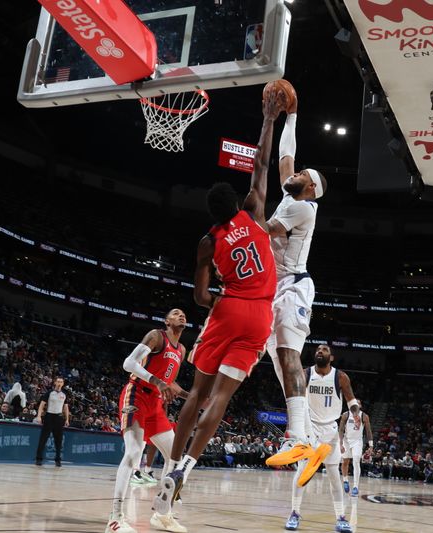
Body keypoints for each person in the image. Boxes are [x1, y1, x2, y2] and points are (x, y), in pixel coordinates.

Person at [152, 89, 283, 522]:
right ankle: (189, 467)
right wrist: (268, 118)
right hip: (260, 315)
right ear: (236, 203)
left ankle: (171, 466)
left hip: (227, 312)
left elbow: (200, 297)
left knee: (197, 394)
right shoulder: (254, 212)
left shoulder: (207, 242)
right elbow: (261, 165)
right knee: (221, 399)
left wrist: (221, 292)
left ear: (212, 212)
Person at [262, 87, 332, 486]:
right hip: (278, 288)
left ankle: (300, 437)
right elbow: (285, 156)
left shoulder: (302, 208)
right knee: (279, 361)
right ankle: (304, 440)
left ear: (311, 189)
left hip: (294, 287)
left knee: (289, 355)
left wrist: (232, 227)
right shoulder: (295, 194)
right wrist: (292, 115)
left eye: (303, 175)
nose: (296, 171)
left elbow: (265, 229)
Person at [105, 309, 189, 533]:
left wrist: (195, 398)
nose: (181, 316)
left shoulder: (181, 349)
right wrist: (158, 381)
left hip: (156, 404)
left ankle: (163, 514)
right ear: (167, 320)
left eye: (183, 314)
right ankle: (115, 518)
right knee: (133, 453)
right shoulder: (156, 336)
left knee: (176, 456)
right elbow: (128, 363)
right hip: (137, 394)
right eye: (175, 313)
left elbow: (171, 383)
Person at [283, 344, 358, 532]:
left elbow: (351, 401)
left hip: (331, 430)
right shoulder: (306, 374)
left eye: (324, 350)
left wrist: (355, 414)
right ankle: (294, 512)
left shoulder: (340, 377)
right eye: (317, 349)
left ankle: (341, 517)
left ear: (331, 357)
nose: (320, 351)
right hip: (310, 428)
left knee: (334, 476)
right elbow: (296, 401)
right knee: (302, 473)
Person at [339, 400, 373, 496]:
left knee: (356, 461)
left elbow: (368, 431)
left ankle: (355, 487)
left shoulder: (364, 416)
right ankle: (345, 480)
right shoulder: (345, 415)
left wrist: (371, 445)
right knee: (345, 461)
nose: (356, 405)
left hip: (357, 441)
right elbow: (341, 430)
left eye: (358, 403)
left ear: (360, 406)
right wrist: (340, 443)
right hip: (346, 440)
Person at [34, 376, 70, 467]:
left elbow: (65, 407)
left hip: (59, 418)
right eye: (58, 381)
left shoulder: (64, 394)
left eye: (61, 382)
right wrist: (39, 416)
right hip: (49, 416)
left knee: (58, 440)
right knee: (43, 438)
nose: (59, 383)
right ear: (55, 383)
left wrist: (67, 419)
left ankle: (58, 460)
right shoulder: (49, 393)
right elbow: (42, 405)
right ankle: (39, 459)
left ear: (63, 384)